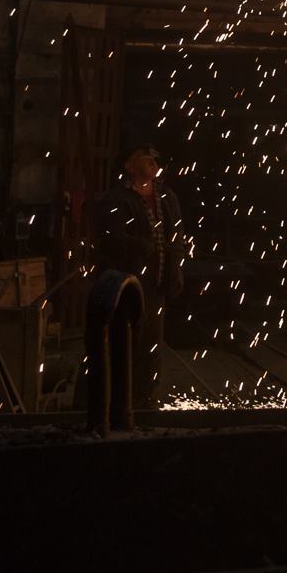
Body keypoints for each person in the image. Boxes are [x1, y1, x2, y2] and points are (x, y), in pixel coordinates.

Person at [93, 147, 184, 406]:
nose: (153, 164)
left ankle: (147, 403)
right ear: (130, 167)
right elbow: (110, 238)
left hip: (156, 283)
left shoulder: (166, 197)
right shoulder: (118, 199)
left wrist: (175, 267)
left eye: (154, 160)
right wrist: (139, 245)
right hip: (127, 284)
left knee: (152, 347)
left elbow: (177, 235)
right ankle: (115, 402)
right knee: (123, 343)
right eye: (146, 160)